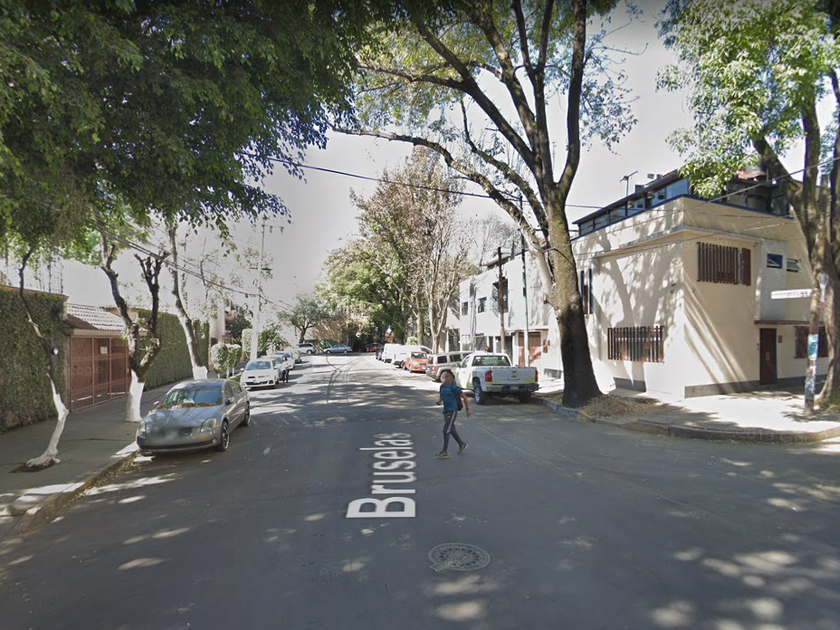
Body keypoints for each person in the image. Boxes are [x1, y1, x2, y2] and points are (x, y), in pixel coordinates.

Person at [435, 369, 470, 458]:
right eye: (444, 376)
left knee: (446, 430)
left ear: (451, 378)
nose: (445, 378)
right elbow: (441, 396)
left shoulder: (453, 387)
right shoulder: (442, 386)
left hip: (452, 410)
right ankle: (461, 444)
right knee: (451, 430)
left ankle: (444, 451)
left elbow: (465, 397)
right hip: (446, 411)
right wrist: (439, 401)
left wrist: (467, 409)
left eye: (447, 376)